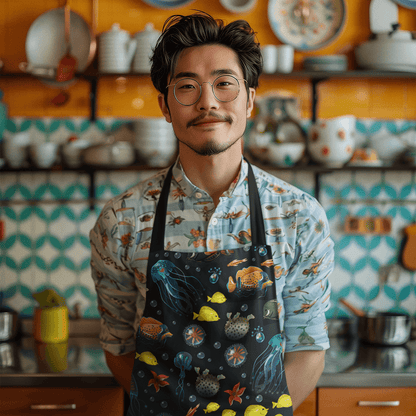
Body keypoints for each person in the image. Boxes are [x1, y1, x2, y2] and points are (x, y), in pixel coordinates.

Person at [90, 12, 334, 416]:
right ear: (165, 106)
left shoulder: (299, 216)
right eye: (187, 86)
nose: (207, 101)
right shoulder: (122, 221)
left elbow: (308, 347)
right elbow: (118, 346)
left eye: (224, 84)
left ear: (250, 99)